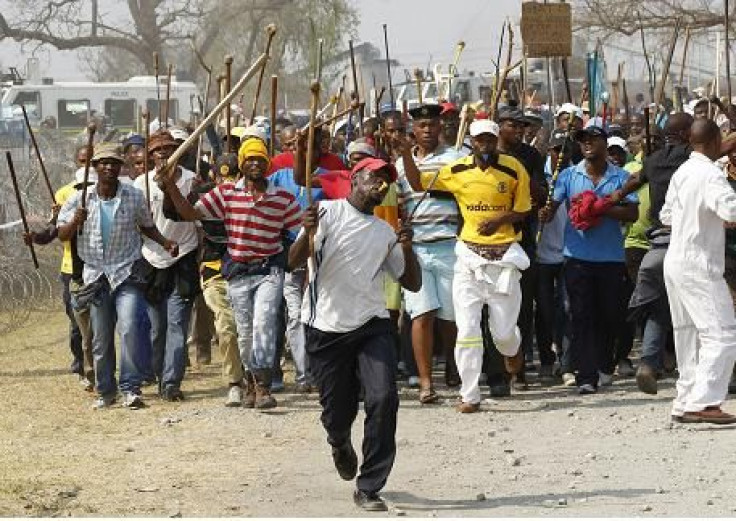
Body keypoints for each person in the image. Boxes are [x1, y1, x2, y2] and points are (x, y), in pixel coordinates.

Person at [288, 157, 421, 512]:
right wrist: (308, 230)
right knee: (337, 411)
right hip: (325, 328)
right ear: (354, 179)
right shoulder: (325, 213)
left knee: (383, 398)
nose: (380, 183)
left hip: (371, 324)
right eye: (373, 176)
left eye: (385, 179)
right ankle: (339, 441)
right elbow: (293, 260)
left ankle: (369, 485)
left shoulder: (385, 232)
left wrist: (408, 247)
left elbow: (411, 282)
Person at [159, 138, 301, 409]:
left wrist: (304, 242)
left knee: (264, 324)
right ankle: (249, 381)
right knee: (244, 332)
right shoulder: (225, 194)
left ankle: (263, 384)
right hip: (238, 271)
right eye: (250, 159)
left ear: (267, 163)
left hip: (269, 270)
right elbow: (189, 213)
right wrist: (169, 186)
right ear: (242, 164)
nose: (255, 163)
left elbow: (302, 231)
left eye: (260, 159)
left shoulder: (282, 198)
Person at [401, 119, 531, 412]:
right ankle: (469, 395)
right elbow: (418, 183)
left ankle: (513, 349)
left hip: (503, 260)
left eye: (489, 139)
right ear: (471, 142)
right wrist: (406, 154)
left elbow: (523, 209)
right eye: (479, 140)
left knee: (502, 334)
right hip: (468, 258)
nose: (484, 144)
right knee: (467, 329)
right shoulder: (457, 170)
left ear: (495, 140)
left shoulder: (513, 168)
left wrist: (498, 220)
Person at [57, 143, 179, 409]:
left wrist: (165, 242)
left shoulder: (133, 196)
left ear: (120, 167)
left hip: (126, 272)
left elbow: (147, 226)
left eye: (114, 163)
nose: (110, 168)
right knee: (100, 338)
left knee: (130, 328)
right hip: (96, 275)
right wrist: (74, 222)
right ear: (95, 168)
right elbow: (62, 234)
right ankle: (105, 391)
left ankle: (130, 388)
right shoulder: (80, 199)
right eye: (104, 163)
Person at [541, 126, 639, 395]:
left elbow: (631, 213)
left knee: (610, 315)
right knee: (581, 316)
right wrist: (546, 210)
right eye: (583, 140)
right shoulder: (569, 176)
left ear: (604, 144)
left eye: (593, 139)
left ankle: (605, 364)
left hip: (611, 259)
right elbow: (552, 208)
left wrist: (599, 209)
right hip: (577, 258)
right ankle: (586, 374)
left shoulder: (621, 177)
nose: (587, 144)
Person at [661, 119, 736, 424]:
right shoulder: (710, 175)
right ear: (716, 140)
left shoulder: (683, 172)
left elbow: (666, 215)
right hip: (699, 263)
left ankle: (685, 399)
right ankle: (704, 402)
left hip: (676, 259)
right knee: (722, 334)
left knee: (688, 334)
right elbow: (731, 212)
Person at [394, 103, 464, 404]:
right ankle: (425, 382)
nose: (427, 130)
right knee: (422, 314)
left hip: (449, 245)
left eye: (432, 125)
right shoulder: (398, 164)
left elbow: (463, 196)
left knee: (451, 317)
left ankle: (452, 363)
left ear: (440, 127)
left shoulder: (457, 158)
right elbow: (396, 202)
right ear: (413, 130)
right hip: (417, 249)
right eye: (421, 126)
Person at [135, 131, 200, 401]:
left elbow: (193, 215)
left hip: (183, 255)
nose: (163, 153)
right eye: (157, 150)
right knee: (157, 326)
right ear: (150, 156)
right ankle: (159, 373)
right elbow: (139, 221)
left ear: (179, 152)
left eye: (169, 149)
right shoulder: (140, 183)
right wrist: (160, 242)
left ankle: (172, 382)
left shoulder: (191, 179)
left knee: (177, 323)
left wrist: (169, 187)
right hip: (152, 258)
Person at [492, 106, 547, 392]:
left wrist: (524, 178)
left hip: (521, 242)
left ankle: (519, 368)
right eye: (513, 125)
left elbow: (540, 193)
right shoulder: (483, 156)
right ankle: (495, 371)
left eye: (522, 126)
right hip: (487, 243)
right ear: (499, 126)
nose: (519, 130)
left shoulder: (529, 155)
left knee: (521, 307)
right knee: (490, 308)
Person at [196, 153, 247, 406]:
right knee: (226, 327)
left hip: (247, 272)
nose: (228, 182)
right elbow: (177, 212)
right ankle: (234, 382)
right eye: (223, 176)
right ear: (214, 177)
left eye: (234, 176)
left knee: (250, 329)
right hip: (215, 272)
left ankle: (257, 376)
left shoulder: (252, 199)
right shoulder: (204, 199)